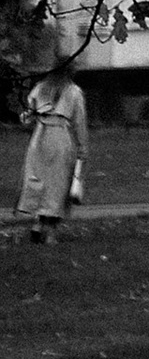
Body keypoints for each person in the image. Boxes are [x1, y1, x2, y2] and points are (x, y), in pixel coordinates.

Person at [17, 53, 89, 243]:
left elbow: (27, 115)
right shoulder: (73, 92)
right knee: (58, 184)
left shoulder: (40, 88)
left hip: (39, 137)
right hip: (60, 138)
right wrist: (82, 147)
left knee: (38, 180)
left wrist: (31, 116)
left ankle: (37, 224)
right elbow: (79, 122)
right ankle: (51, 232)